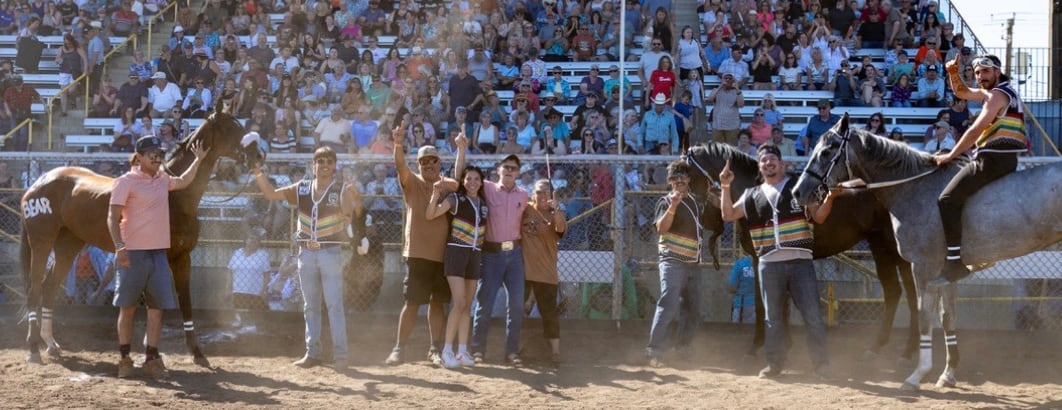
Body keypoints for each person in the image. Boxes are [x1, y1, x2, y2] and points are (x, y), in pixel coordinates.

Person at [719, 144, 839, 380]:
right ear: (759, 166)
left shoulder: (799, 186)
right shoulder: (750, 194)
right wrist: (725, 186)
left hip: (800, 261)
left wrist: (832, 197)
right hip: (768, 263)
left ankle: (821, 365)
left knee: (812, 316)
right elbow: (728, 215)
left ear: (782, 164)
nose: (768, 163)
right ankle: (774, 364)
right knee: (772, 317)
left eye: (773, 159)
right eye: (764, 160)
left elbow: (819, 216)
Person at [251, 146, 363, 370]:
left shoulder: (340, 189)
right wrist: (257, 172)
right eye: (320, 161)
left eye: (328, 162)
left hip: (330, 251)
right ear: (314, 165)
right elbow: (271, 195)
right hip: (307, 253)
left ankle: (341, 356)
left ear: (334, 166)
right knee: (310, 305)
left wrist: (356, 196)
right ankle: (313, 353)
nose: (324, 166)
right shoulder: (302, 188)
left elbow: (356, 213)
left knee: (334, 305)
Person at [108, 135, 208, 379]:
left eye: (159, 152)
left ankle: (151, 358)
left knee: (157, 309)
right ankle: (124, 358)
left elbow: (184, 181)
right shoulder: (125, 181)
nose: (157, 156)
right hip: (132, 253)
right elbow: (112, 218)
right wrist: (120, 247)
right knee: (128, 308)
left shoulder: (163, 180)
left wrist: (198, 160)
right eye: (151, 152)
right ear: (139, 156)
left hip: (159, 254)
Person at [929, 54, 1028, 286]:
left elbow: (974, 131)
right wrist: (953, 72)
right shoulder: (1004, 91)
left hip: (991, 161)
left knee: (947, 200)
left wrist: (951, 156)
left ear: (997, 71)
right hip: (1005, 159)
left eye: (985, 72)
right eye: (976, 73)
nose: (980, 77)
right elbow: (962, 93)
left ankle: (954, 263)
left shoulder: (996, 95)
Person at [454, 133, 529, 366]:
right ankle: (478, 350)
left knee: (516, 305)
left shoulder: (524, 196)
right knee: (484, 303)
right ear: (498, 169)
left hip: (515, 255)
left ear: (518, 172)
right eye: (506, 166)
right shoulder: (486, 188)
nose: (509, 171)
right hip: (492, 254)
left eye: (513, 168)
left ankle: (511, 352)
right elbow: (463, 177)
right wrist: (462, 150)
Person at [384, 124, 456, 367]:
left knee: (438, 303)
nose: (428, 165)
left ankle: (434, 349)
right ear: (419, 165)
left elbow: (462, 182)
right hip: (416, 253)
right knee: (412, 303)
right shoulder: (412, 182)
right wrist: (398, 143)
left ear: (439, 162)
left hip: (442, 255)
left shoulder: (447, 185)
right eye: (424, 162)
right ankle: (398, 349)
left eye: (432, 160)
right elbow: (400, 166)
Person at [425, 164, 489, 369]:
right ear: (462, 181)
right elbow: (430, 214)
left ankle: (462, 351)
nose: (472, 183)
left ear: (481, 182)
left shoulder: (483, 204)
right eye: (468, 179)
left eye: (476, 179)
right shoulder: (455, 199)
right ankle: (447, 350)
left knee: (467, 305)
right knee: (459, 303)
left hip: (475, 253)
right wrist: (436, 194)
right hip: (456, 252)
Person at [646, 160, 708, 368]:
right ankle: (656, 350)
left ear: (689, 179)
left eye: (683, 176)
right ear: (669, 181)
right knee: (668, 303)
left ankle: (683, 348)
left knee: (693, 307)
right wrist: (673, 205)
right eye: (675, 177)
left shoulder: (696, 202)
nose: (679, 180)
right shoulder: (665, 201)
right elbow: (661, 229)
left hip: (692, 262)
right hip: (672, 260)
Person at [520, 179, 567, 365]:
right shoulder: (525, 210)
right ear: (533, 194)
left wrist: (556, 210)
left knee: (549, 313)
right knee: (517, 312)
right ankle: (516, 348)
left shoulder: (556, 214)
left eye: (546, 193)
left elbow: (561, 230)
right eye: (539, 192)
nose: (542, 196)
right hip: (523, 272)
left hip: (546, 273)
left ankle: (555, 353)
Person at [227, 230, 271, 329]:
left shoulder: (263, 255)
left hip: (255, 292)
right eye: (251, 238)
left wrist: (264, 290)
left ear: (259, 243)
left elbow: (267, 274)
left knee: (255, 319)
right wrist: (228, 288)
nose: (253, 241)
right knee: (239, 317)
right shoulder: (237, 253)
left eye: (256, 239)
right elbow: (230, 271)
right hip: (238, 290)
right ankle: (240, 335)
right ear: (246, 240)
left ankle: (253, 334)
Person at [728, 255, 755, 323]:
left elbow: (731, 287)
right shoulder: (766, 263)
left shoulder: (741, 263)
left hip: (742, 303)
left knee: (739, 331)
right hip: (762, 305)